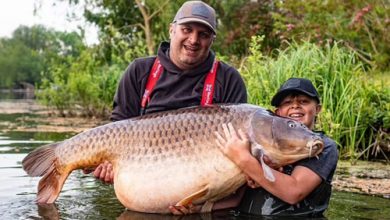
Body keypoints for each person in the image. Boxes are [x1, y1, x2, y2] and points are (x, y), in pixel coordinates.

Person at [85, 1, 247, 184]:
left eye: (203, 34)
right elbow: (117, 129)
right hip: (145, 179)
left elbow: (239, 148)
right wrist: (108, 164)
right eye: (187, 30)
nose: (194, 40)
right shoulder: (140, 71)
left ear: (212, 40)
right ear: (172, 30)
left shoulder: (228, 79)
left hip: (205, 182)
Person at [171, 78, 338, 217]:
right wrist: (200, 210)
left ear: (317, 109)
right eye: (288, 102)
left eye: (304, 101)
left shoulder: (324, 146)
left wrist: (243, 159)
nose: (295, 106)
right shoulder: (260, 147)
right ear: (277, 113)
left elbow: (293, 192)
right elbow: (238, 200)